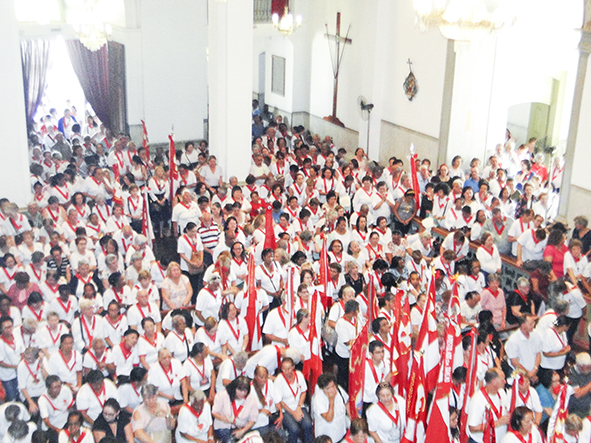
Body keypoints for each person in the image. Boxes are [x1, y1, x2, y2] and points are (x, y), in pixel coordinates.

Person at [273, 358, 312, 443]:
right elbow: (280, 401)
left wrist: (299, 407)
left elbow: (303, 392)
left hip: (299, 406)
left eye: (289, 368)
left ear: (293, 367)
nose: (286, 371)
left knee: (308, 425)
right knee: (294, 429)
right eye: (284, 369)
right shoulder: (279, 380)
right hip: (286, 410)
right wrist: (293, 413)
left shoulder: (299, 375)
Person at [467, 368, 510, 443]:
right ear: (494, 382)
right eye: (502, 379)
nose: (505, 381)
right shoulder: (477, 399)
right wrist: (497, 423)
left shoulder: (502, 392)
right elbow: (473, 428)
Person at [212, 376, 257, 443]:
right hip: (223, 427)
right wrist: (224, 418)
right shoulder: (222, 395)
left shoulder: (251, 399)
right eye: (239, 390)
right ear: (234, 388)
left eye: (245, 391)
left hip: (241, 427)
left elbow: (253, 419)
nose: (242, 393)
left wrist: (242, 431)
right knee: (230, 440)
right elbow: (214, 412)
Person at [312, 373, 349, 442]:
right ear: (322, 389)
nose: (332, 390)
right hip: (327, 438)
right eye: (328, 388)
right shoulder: (318, 400)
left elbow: (347, 402)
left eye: (333, 386)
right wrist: (331, 400)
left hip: (341, 433)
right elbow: (329, 418)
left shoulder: (339, 389)